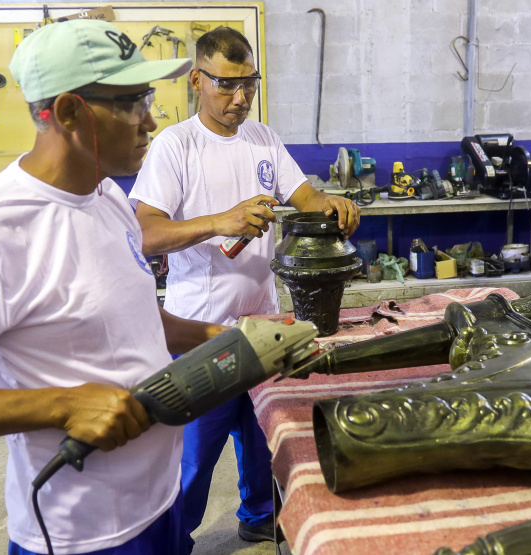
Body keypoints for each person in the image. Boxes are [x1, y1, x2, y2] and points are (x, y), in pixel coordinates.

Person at [0, 19, 226, 555]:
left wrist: (218, 334)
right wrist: (60, 406)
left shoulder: (107, 198)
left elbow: (133, 316)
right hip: (82, 533)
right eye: (130, 102)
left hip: (160, 503)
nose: (150, 120)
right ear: (70, 112)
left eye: (147, 97)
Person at [129, 26, 360, 552]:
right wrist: (219, 222)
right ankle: (170, 540)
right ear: (196, 81)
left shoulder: (263, 140)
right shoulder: (175, 146)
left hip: (266, 326)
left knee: (265, 440)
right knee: (192, 458)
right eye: (226, 85)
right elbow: (145, 234)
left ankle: (260, 517)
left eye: (249, 85)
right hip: (201, 333)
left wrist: (334, 206)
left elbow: (305, 196)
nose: (240, 98)